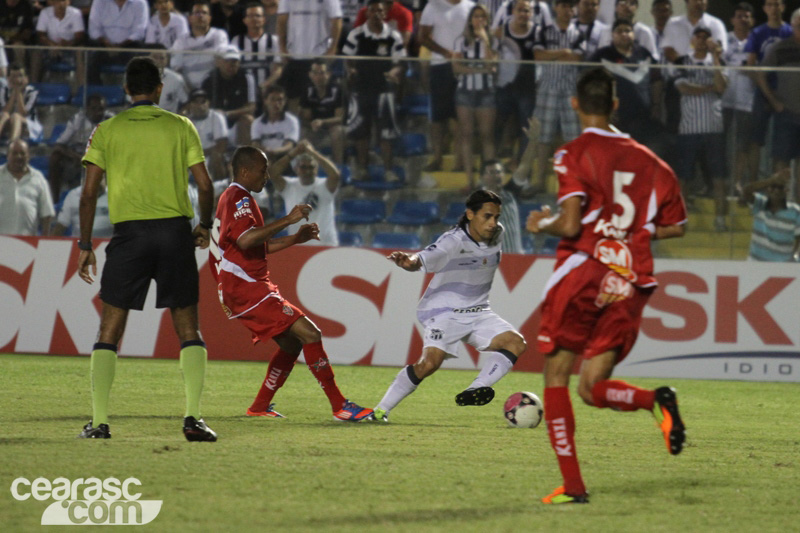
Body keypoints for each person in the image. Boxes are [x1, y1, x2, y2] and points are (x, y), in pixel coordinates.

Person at [525, 67, 687, 505]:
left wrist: (544, 225)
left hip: (584, 271)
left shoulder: (572, 153)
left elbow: (574, 223)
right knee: (592, 386)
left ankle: (573, 486)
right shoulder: (656, 165)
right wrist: (631, 231)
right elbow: (676, 227)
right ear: (615, 105)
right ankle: (656, 399)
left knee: (557, 374)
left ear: (575, 104)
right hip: (630, 277)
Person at [77, 57, 217, 442]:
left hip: (130, 236)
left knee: (110, 326)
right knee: (188, 327)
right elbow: (205, 186)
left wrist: (86, 244)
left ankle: (100, 422)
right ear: (159, 89)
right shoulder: (181, 126)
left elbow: (88, 194)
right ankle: (193, 418)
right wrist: (203, 225)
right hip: (175, 234)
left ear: (126, 90)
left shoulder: (106, 130)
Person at [210, 145, 373, 421]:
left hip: (243, 285)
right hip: (246, 286)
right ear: (245, 171)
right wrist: (289, 219)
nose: (267, 177)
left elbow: (258, 246)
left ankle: (260, 406)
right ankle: (340, 406)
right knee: (311, 333)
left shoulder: (235, 196)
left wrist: (296, 238)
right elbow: (246, 240)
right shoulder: (240, 198)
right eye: (263, 171)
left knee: (292, 344)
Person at [372, 189, 527, 421]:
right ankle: (379, 411)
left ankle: (476, 388)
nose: (493, 222)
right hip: (444, 312)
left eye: (496, 217)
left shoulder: (498, 234)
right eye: (487, 216)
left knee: (516, 343)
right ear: (470, 214)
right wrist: (408, 261)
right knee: (429, 364)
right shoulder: (453, 241)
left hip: (478, 311)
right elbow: (422, 259)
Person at [342, 0, 406, 183]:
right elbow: (347, 58)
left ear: (385, 13)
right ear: (367, 13)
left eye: (380, 11)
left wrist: (395, 72)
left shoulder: (393, 35)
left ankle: (388, 170)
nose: (376, 14)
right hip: (361, 89)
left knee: (386, 134)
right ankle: (362, 169)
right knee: (361, 133)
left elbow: (400, 62)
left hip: (385, 91)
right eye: (373, 11)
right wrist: (351, 70)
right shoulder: (356, 34)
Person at [674, 26, 728, 230]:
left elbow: (721, 87)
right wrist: (709, 89)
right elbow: (683, 88)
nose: (702, 40)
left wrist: (715, 57)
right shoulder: (682, 61)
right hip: (688, 128)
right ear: (692, 39)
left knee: (718, 176)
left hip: (714, 127)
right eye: (699, 36)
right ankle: (680, 220)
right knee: (684, 176)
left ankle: (720, 219)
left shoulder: (719, 62)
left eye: (706, 37)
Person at [532, 0, 584, 192]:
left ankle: (573, 181)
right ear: (556, 7)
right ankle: (539, 181)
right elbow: (538, 56)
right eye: (564, 5)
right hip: (547, 87)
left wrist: (551, 54)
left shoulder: (578, 33)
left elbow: (577, 58)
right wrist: (563, 52)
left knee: (573, 137)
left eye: (571, 6)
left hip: (570, 88)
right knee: (543, 136)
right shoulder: (544, 30)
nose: (568, 10)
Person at [591, 19, 664, 152]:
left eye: (628, 31)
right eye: (619, 31)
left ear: (633, 34)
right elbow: (592, 84)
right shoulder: (602, 55)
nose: (624, 34)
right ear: (612, 35)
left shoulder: (644, 54)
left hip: (643, 117)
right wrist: (604, 109)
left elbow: (656, 80)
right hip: (615, 118)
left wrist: (656, 105)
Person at [419, 0, 475, 172]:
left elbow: (477, 34)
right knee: (437, 117)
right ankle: (437, 158)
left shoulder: (471, 7)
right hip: (440, 66)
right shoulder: (433, 6)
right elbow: (422, 37)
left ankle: (459, 162)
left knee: (460, 116)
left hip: (465, 66)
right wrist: (446, 53)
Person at [756, 8, 800, 200]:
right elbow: (760, 73)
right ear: (792, 27)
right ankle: (776, 210)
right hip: (786, 114)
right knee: (779, 165)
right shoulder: (781, 48)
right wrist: (773, 100)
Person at [452, 3, 497, 190]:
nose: (479, 20)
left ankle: (490, 182)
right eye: (476, 16)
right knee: (467, 135)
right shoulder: (460, 41)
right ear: (470, 20)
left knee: (487, 135)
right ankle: (470, 180)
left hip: (486, 92)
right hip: (465, 92)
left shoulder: (493, 41)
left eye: (483, 17)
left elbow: (493, 67)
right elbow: (456, 68)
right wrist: (478, 69)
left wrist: (485, 40)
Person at [745, 0, 791, 179]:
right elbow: (751, 64)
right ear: (764, 9)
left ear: (783, 7)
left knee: (782, 143)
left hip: (786, 94)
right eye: (770, 4)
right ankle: (754, 183)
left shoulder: (790, 32)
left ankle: (776, 184)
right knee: (755, 140)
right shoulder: (757, 33)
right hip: (762, 92)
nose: (774, 8)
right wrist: (765, 89)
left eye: (777, 4)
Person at [494, 0, 539, 177]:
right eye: (520, 10)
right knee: (498, 123)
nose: (523, 14)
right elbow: (492, 53)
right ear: (513, 11)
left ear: (532, 13)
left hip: (527, 88)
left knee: (526, 128)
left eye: (527, 11)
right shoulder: (502, 31)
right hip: (504, 86)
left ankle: (521, 165)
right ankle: (492, 163)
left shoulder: (537, 32)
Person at [48, 93, 114, 199]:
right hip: (77, 156)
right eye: (94, 108)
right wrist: (76, 156)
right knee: (55, 157)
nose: (98, 112)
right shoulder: (77, 120)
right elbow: (59, 145)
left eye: (101, 109)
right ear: (87, 108)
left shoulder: (111, 120)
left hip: (102, 157)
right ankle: (55, 200)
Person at [276, 0, 342, 105]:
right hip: (294, 55)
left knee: (317, 98)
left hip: (320, 56)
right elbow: (281, 20)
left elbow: (336, 20)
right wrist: (282, 47)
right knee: (292, 98)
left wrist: (333, 48)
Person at [722, 3, 757, 195]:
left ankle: (736, 182)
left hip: (747, 100)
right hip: (724, 99)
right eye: (739, 16)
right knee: (720, 142)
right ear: (732, 20)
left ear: (751, 20)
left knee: (742, 143)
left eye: (746, 16)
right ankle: (720, 181)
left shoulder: (756, 40)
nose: (743, 19)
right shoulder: (723, 39)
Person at [201, 45, 257, 146]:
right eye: (227, 61)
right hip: (215, 124)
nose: (231, 65)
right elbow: (202, 105)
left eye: (234, 62)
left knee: (248, 120)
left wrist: (227, 114)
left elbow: (251, 107)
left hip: (237, 123)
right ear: (218, 62)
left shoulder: (247, 78)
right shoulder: (208, 79)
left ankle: (244, 157)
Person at [740, 170, 800, 262]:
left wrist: (794, 256)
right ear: (767, 188)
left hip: (782, 267)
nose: (776, 190)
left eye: (780, 187)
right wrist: (770, 180)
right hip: (756, 264)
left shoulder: (796, 212)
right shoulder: (759, 204)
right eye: (773, 186)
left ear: (786, 190)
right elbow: (745, 191)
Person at [170, 0, 230, 89]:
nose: (201, 16)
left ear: (210, 18)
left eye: (204, 13)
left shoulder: (219, 35)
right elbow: (177, 69)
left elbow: (221, 61)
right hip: (188, 89)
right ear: (190, 18)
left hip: (214, 88)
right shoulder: (181, 41)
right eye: (197, 13)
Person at [86, 0, 149, 84]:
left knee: (140, 49)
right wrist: (107, 44)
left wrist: (120, 47)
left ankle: (134, 90)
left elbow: (139, 32)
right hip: (104, 47)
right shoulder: (99, 2)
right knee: (91, 51)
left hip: (129, 47)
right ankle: (95, 92)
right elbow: (94, 29)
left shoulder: (140, 3)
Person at [0, 139, 54, 236]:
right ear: (8, 155)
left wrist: (45, 239)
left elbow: (47, 213)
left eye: (22, 153)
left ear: (28, 156)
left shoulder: (38, 178)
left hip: (27, 243)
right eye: (14, 153)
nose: (19, 157)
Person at [230, 2, 283, 96]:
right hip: (243, 91)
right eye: (250, 16)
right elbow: (232, 67)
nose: (254, 19)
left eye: (257, 15)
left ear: (264, 19)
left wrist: (266, 85)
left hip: (268, 92)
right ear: (244, 20)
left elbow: (278, 68)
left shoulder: (274, 40)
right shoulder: (237, 41)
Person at [299, 60, 345, 165]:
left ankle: (338, 167)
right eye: (315, 73)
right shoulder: (307, 90)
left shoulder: (337, 90)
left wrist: (323, 122)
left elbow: (340, 117)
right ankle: (306, 166)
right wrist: (311, 123)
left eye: (322, 73)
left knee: (337, 131)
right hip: (314, 130)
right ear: (310, 75)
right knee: (302, 134)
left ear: (328, 74)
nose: (319, 76)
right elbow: (306, 117)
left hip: (332, 128)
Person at [31, 0, 86, 83]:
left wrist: (67, 44)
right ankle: (34, 85)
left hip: (70, 50)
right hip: (50, 49)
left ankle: (81, 88)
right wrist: (51, 45)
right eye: (57, 1)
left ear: (69, 2)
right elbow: (40, 34)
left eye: (63, 1)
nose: (60, 4)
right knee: (36, 51)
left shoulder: (76, 13)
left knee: (80, 51)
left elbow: (79, 36)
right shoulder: (45, 13)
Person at [661, 0, 726, 64]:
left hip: (708, 71)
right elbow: (668, 50)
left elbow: (721, 50)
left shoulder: (716, 24)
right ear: (687, 1)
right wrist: (685, 65)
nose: (699, 2)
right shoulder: (673, 23)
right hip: (679, 72)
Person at [479, 159, 523, 254]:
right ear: (482, 177)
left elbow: (524, 170)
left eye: (498, 172)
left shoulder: (511, 194)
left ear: (504, 175)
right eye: (491, 172)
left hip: (516, 258)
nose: (496, 176)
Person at [186, 88, 228, 180]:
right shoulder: (185, 122)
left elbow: (222, 145)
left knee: (216, 155)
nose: (200, 105)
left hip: (210, 158)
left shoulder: (216, 117)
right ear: (189, 105)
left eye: (203, 102)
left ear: (208, 103)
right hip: (192, 161)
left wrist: (201, 153)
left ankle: (219, 186)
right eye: (196, 102)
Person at [251, 84, 299, 161]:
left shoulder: (291, 121)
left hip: (285, 158)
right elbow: (255, 143)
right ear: (265, 101)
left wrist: (274, 152)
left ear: (285, 101)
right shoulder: (257, 123)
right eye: (272, 99)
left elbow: (290, 145)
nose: (276, 103)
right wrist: (266, 152)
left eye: (280, 100)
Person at [0, 64, 42, 143]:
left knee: (16, 116)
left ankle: (13, 144)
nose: (16, 79)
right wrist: (14, 92)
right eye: (13, 76)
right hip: (9, 123)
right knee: (4, 115)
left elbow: (23, 113)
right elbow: (6, 111)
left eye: (20, 76)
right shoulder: (4, 91)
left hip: (29, 125)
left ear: (26, 78)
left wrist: (18, 91)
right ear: (8, 79)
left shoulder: (32, 92)